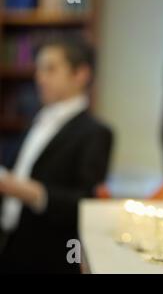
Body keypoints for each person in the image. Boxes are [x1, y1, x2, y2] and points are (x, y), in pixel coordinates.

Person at [0, 35, 114, 273]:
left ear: (80, 74)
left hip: (48, 257)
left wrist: (21, 189)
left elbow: (84, 204)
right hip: (10, 245)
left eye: (50, 69)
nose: (39, 78)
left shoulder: (95, 133)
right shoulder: (37, 119)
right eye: (39, 69)